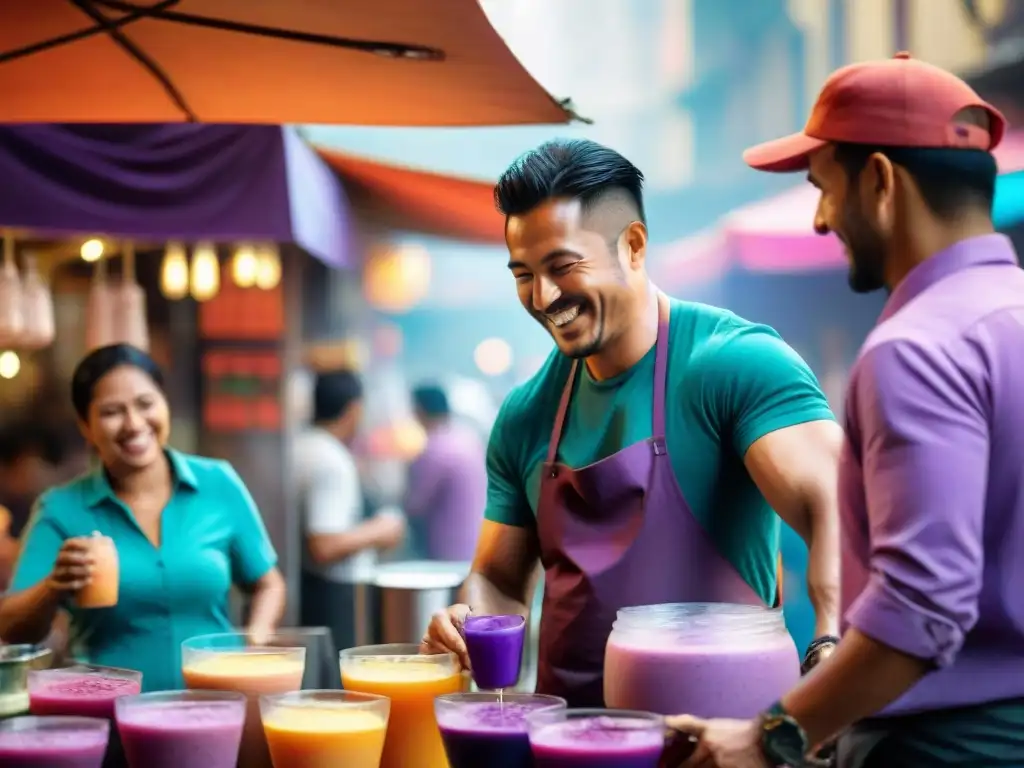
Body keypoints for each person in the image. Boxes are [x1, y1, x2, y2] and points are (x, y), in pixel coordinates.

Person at [669, 53, 1024, 768]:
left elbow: (921, 612)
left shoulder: (914, 348)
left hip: (936, 748)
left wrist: (770, 733)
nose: (823, 219)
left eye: (823, 188)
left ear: (881, 181)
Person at [422, 138, 844, 707]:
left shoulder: (731, 364)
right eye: (523, 273)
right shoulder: (526, 414)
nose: (543, 296)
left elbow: (839, 506)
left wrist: (829, 642)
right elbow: (499, 579)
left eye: (562, 266)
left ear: (635, 246)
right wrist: (467, 620)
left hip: (721, 740)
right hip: (570, 739)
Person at [0, 344, 286, 691]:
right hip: (109, 715)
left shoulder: (217, 483)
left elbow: (268, 584)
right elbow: (12, 629)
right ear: (85, 426)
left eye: (146, 404)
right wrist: (52, 587)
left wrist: (253, 646)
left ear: (164, 404)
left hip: (219, 707)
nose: (134, 424)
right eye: (111, 411)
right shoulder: (61, 508)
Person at [294, 369, 405, 651]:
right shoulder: (330, 459)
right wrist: (381, 530)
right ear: (354, 409)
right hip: (335, 595)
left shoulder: (302, 446)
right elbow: (324, 545)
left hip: (313, 589)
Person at [402, 384, 486, 562]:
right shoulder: (468, 439)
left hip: (448, 552)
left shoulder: (435, 450)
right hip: (478, 543)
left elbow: (415, 505)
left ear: (419, 411)